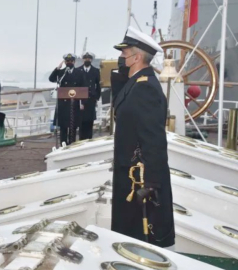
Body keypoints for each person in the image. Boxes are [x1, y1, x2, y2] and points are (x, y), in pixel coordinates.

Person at [112, 26, 174, 248]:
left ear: (136, 57)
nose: (120, 57)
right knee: (128, 232)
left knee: (139, 238)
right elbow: (121, 108)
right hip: (128, 175)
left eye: (124, 53)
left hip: (138, 180)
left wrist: (152, 184)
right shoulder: (135, 82)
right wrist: (119, 77)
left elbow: (154, 140)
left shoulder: (145, 88)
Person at [48, 53, 85, 145]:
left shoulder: (79, 73)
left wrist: (82, 103)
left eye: (71, 61)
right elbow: (51, 79)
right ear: (65, 62)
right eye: (67, 61)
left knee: (73, 127)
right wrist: (57, 68)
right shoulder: (61, 72)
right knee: (63, 127)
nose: (69, 62)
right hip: (63, 104)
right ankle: (63, 145)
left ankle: (72, 145)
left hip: (74, 104)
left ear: (74, 62)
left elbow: (83, 88)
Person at [78, 52, 101, 140]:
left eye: (89, 58)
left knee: (90, 121)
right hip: (81, 99)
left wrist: (97, 97)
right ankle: (81, 139)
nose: (87, 60)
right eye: (85, 58)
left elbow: (98, 85)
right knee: (81, 121)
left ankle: (89, 139)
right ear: (83, 59)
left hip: (91, 99)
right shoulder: (78, 70)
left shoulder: (95, 71)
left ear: (91, 59)